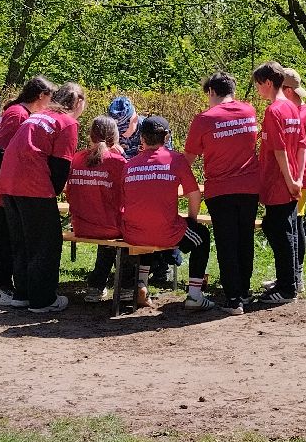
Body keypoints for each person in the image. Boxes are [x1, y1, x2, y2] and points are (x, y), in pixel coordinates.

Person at [0, 81, 84, 314]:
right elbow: (60, 165)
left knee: (22, 241)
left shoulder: (38, 115)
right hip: (33, 185)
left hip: (8, 183)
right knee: (46, 242)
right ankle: (43, 299)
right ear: (77, 102)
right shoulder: (67, 122)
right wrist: (52, 195)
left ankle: (22, 294)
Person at [122, 115, 216, 311]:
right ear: (166, 138)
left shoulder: (129, 165)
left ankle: (141, 284)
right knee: (202, 236)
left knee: (146, 232)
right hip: (166, 232)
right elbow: (194, 195)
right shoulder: (176, 160)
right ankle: (195, 295)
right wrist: (191, 220)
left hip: (133, 233)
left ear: (141, 138)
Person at [0, 77, 55, 308]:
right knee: (5, 239)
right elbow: (1, 149)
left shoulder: (19, 112)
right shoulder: (18, 114)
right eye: (50, 98)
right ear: (41, 95)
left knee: (10, 238)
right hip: (1, 187)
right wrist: (8, 181)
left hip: (5, 186)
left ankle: (4, 285)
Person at [185, 72, 261, 313]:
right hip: (250, 187)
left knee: (227, 242)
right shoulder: (249, 111)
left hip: (220, 190)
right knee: (245, 239)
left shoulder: (204, 119)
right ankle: (244, 292)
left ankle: (233, 299)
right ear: (233, 90)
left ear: (211, 92)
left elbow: (188, 159)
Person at [253, 61, 306, 305]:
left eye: (257, 85)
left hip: (279, 181)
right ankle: (290, 279)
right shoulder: (294, 108)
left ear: (267, 83)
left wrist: (289, 180)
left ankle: (287, 288)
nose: (256, 90)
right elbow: (302, 146)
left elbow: (279, 150)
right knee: (285, 228)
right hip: (291, 179)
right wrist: (298, 177)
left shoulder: (274, 111)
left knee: (279, 229)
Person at [66, 116, 128, 303]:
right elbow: (129, 194)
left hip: (80, 226)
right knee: (128, 229)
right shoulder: (118, 162)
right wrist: (122, 157)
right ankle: (127, 287)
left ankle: (96, 285)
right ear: (115, 137)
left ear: (90, 135)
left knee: (107, 232)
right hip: (111, 228)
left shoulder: (76, 158)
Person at [282, 67, 306, 293]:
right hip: (300, 173)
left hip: (298, 175)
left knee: (296, 225)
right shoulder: (303, 109)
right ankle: (293, 275)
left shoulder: (297, 113)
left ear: (287, 90)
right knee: (294, 223)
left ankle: (296, 276)